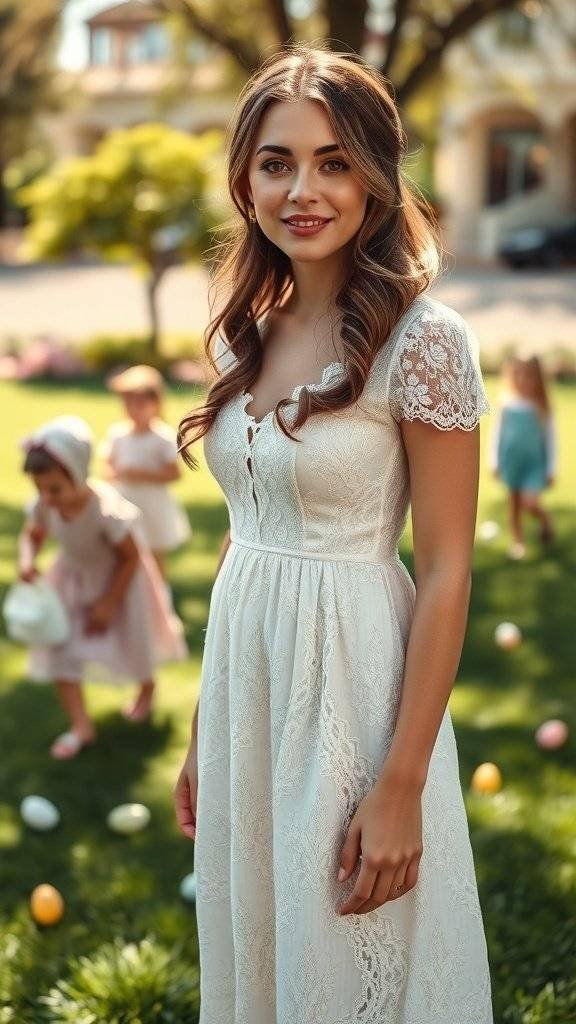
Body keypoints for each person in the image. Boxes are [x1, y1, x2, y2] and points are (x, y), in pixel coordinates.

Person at [174, 43, 493, 1024]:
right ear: (245, 177)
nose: (302, 189)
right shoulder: (243, 335)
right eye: (277, 162)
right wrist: (200, 726)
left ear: (376, 177)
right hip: (247, 683)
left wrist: (400, 784)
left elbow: (445, 573)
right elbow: (246, 530)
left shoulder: (425, 342)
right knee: (265, 947)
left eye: (333, 161)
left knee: (350, 951)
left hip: (354, 687)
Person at [17, 415, 187, 757]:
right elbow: (32, 535)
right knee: (59, 650)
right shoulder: (45, 506)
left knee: (133, 643)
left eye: (54, 488)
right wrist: (26, 561)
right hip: (72, 582)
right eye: (40, 489)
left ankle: (146, 687)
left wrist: (110, 603)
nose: (47, 498)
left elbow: (131, 557)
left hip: (120, 584)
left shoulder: (105, 510)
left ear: (78, 474)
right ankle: (81, 724)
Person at [100, 364, 191, 579]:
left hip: (152, 505)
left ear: (155, 403)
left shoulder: (162, 436)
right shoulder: (117, 434)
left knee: (153, 552)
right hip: (124, 500)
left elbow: (174, 473)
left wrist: (141, 474)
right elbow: (107, 466)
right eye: (128, 402)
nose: (133, 408)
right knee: (124, 551)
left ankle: (159, 595)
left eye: (140, 403)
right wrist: (115, 473)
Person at [489, 353, 556, 559]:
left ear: (537, 379)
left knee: (529, 502)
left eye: (529, 375)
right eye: (518, 374)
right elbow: (497, 433)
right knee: (514, 505)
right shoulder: (507, 404)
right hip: (511, 462)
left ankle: (545, 519)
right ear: (511, 375)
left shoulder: (541, 407)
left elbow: (552, 439)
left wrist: (551, 468)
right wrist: (494, 461)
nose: (523, 380)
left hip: (534, 464)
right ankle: (518, 542)